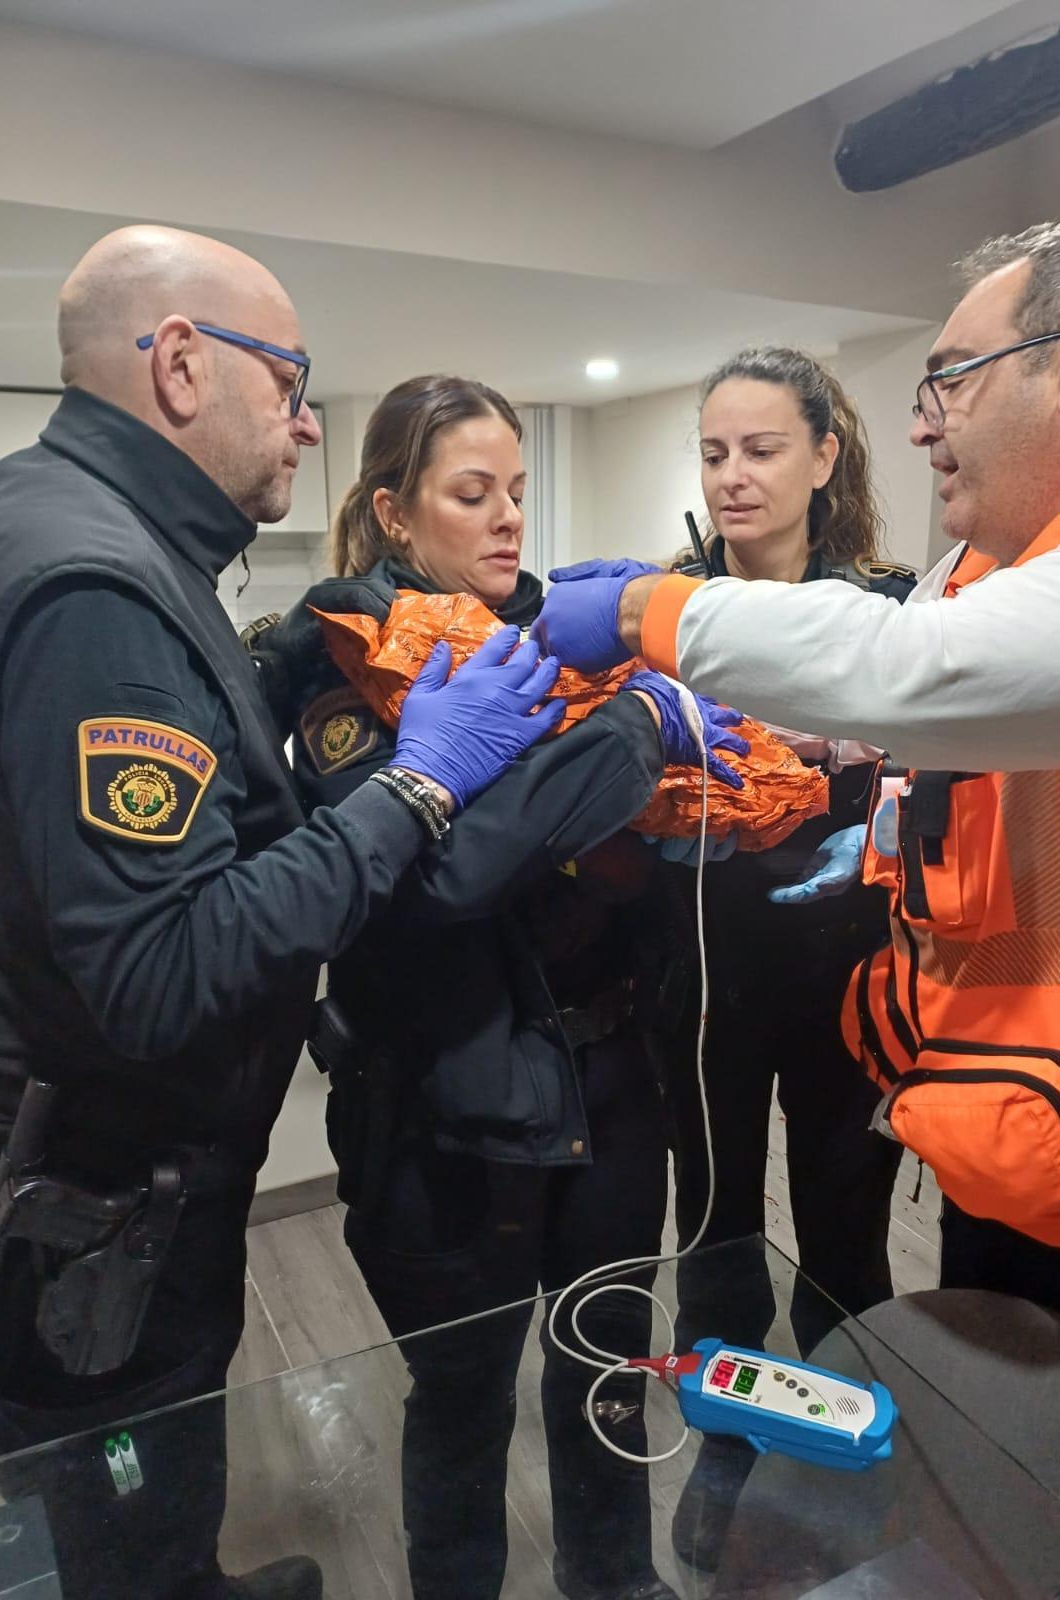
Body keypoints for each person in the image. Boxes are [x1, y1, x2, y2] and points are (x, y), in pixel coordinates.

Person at [0, 228, 566, 1600]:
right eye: (288, 377)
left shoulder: (91, 528)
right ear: (179, 364)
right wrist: (419, 787)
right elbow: (162, 966)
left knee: (155, 1488)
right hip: (103, 1189)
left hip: (134, 1171)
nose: (306, 417)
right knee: (114, 1508)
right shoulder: (94, 587)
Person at [533, 220, 1060, 1377]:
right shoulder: (985, 567)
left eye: (954, 381)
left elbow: (910, 672)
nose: (926, 420)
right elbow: (925, 739)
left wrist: (644, 615)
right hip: (1008, 1144)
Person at [250, 373, 745, 1600]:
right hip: (447, 1102)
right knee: (464, 1396)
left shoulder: (557, 641)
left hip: (610, 1074)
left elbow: (600, 849)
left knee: (608, 1366)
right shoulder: (337, 666)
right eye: (473, 494)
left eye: (518, 490)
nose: (510, 518)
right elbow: (442, 880)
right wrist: (630, 734)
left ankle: (614, 1579)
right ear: (395, 514)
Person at [655, 348, 913, 1571]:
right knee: (712, 1242)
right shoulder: (665, 620)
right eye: (714, 453)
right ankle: (726, 1450)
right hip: (699, 981)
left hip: (848, 987)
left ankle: (839, 1454)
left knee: (847, 1239)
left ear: (824, 457)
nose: (734, 477)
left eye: (761, 449)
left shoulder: (894, 615)